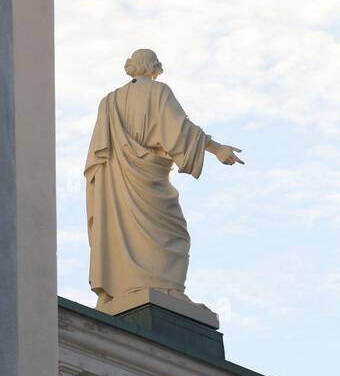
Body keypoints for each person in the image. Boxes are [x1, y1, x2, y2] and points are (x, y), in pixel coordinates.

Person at [84, 48, 243, 307]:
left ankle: (122, 290)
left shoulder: (108, 103)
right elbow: (181, 131)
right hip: (148, 180)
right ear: (154, 67)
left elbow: (97, 160)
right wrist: (217, 149)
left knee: (122, 232)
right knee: (175, 236)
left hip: (119, 185)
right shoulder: (158, 92)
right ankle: (167, 290)